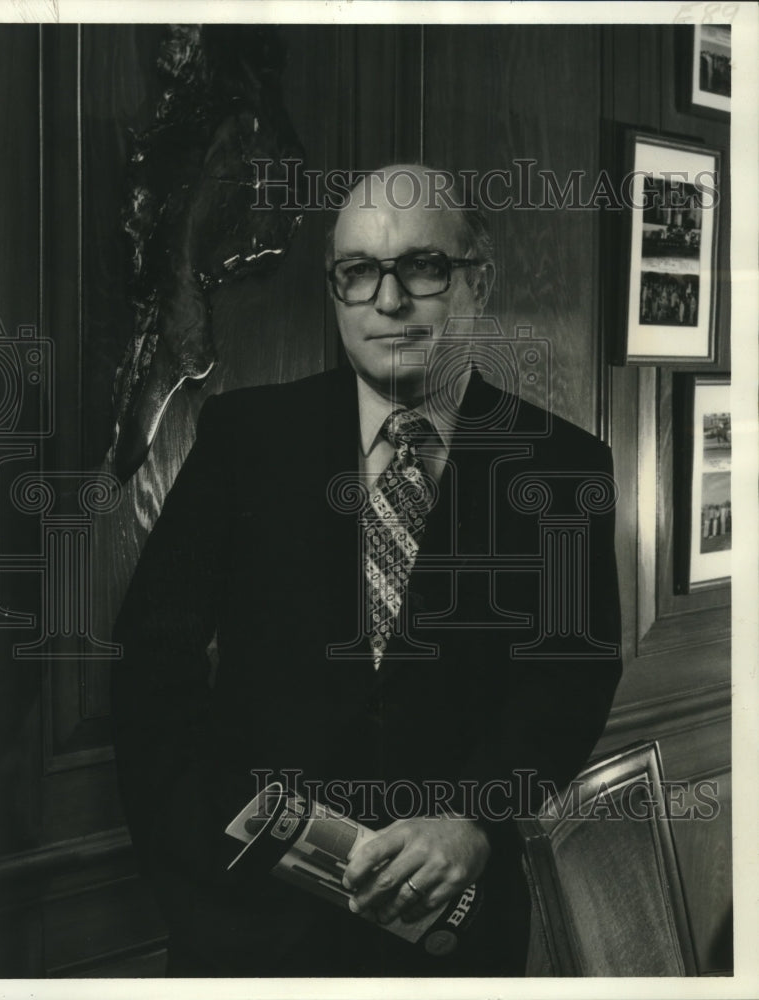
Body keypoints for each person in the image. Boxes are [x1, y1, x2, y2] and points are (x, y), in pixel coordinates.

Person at [112, 164, 622, 977]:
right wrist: (201, 869)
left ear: (477, 283)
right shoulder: (247, 438)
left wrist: (473, 820)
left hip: (451, 928)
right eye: (358, 272)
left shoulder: (563, 467)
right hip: (247, 933)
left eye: (421, 266)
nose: (388, 301)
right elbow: (150, 668)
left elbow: (571, 679)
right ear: (336, 288)